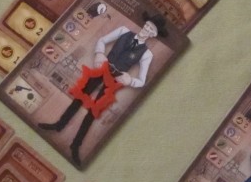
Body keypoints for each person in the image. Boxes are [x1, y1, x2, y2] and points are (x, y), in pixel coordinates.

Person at [40, 12, 167, 166]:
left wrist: (130, 80)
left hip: (114, 80)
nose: (146, 29)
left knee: (94, 111)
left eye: (150, 29)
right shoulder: (124, 31)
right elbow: (102, 40)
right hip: (102, 69)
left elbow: (141, 81)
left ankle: (75, 145)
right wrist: (100, 53)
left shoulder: (146, 54)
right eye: (146, 25)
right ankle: (59, 125)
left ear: (153, 35)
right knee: (80, 97)